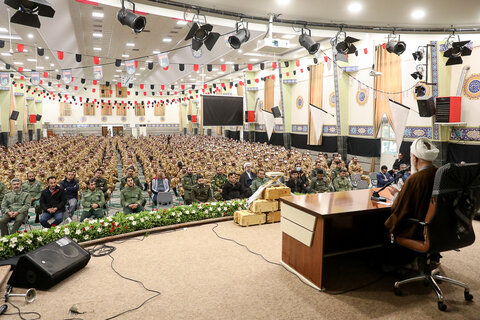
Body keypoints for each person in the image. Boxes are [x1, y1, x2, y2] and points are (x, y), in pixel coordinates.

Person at [385, 138, 439, 240]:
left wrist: (397, 195)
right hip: (437, 228)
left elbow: (400, 208)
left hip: (416, 229)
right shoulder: (440, 173)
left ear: (414, 158)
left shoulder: (415, 179)